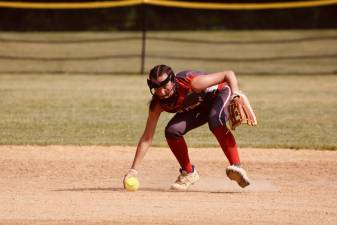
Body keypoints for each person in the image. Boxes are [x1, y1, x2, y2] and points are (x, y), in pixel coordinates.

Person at [123, 64, 257, 191]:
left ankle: (237, 166)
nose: (161, 91)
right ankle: (188, 173)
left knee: (215, 120)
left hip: (219, 94)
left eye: (165, 85)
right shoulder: (158, 104)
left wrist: (235, 94)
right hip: (198, 106)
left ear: (173, 81)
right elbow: (147, 137)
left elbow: (228, 74)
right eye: (156, 87)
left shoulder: (193, 83)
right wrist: (133, 170)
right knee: (172, 131)